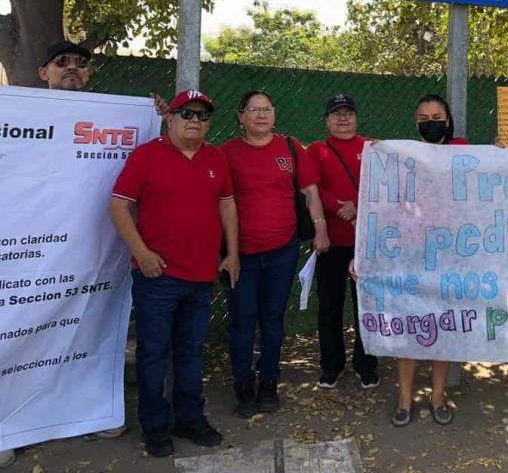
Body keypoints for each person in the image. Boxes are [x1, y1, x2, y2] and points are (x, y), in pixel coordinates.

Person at [0, 42, 118, 470]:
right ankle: (8, 425)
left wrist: (158, 116)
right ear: (42, 70)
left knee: (81, 334)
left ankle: (82, 412)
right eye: (62, 62)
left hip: (85, 255)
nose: (72, 68)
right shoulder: (12, 110)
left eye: (80, 63)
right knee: (14, 333)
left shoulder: (109, 117)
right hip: (21, 256)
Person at [109, 90, 240, 458]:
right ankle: (155, 426)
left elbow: (227, 204)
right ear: (170, 118)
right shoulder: (146, 156)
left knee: (190, 352)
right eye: (186, 113)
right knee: (153, 353)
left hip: (201, 277)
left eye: (202, 115)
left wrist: (232, 254)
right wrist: (141, 253)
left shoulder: (216, 158)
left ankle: (189, 418)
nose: (194, 120)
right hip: (157, 277)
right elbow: (118, 206)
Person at [219, 91, 331, 418]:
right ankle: (243, 384)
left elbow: (310, 193)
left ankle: (269, 381)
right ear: (240, 117)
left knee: (272, 320)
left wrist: (320, 229)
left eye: (266, 109)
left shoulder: (291, 148)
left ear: (274, 114)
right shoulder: (226, 153)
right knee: (241, 321)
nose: (260, 115)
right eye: (253, 110)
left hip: (283, 251)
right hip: (241, 255)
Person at [387, 94, 467, 426]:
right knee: (409, 326)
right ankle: (405, 398)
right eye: (423, 117)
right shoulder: (402, 155)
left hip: (450, 254)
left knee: (442, 327)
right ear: (415, 122)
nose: (430, 121)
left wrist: (501, 151)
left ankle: (437, 396)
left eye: (436, 116)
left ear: (448, 120)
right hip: (411, 253)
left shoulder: (464, 150)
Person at [305, 94, 379, 389]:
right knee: (330, 306)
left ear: (357, 117)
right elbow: (312, 189)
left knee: (366, 305)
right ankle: (331, 365)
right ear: (326, 120)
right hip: (331, 242)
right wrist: (339, 206)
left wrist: (359, 206)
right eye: (336, 114)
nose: (343, 118)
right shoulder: (316, 150)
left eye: (349, 112)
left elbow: (385, 185)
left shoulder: (373, 148)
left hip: (367, 242)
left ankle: (366, 364)